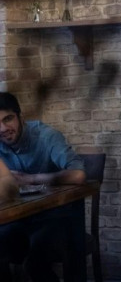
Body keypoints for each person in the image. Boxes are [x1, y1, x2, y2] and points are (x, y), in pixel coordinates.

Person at [0, 91, 86, 282]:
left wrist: (30, 179)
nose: (3, 128)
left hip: (55, 218)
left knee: (35, 262)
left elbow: (78, 175)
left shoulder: (46, 136)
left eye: (8, 119)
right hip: (18, 220)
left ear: (20, 117)